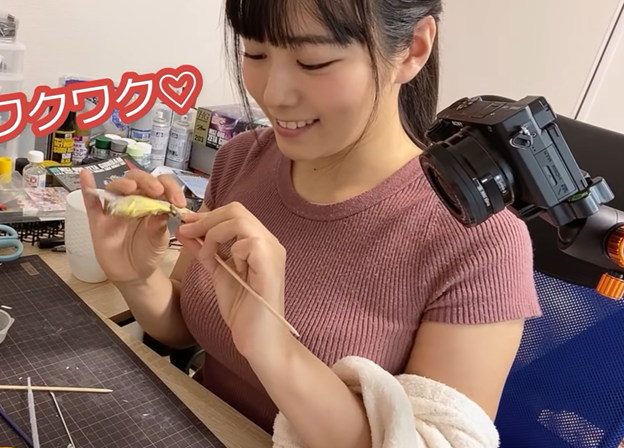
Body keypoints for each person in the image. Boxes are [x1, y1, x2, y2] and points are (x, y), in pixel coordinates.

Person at [79, 0, 541, 446]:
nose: (273, 95)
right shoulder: (243, 159)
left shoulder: (481, 242)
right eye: (255, 53)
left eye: (313, 62)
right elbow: (186, 326)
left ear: (412, 48)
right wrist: (137, 278)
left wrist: (276, 349)